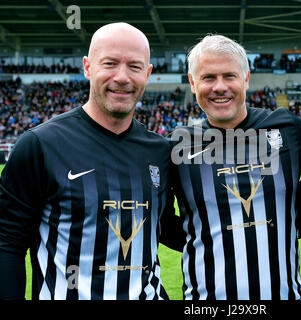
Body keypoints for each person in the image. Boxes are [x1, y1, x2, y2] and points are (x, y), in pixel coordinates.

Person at [0, 22, 181, 300]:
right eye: (109, 63)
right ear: (87, 67)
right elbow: (8, 244)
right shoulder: (40, 145)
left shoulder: (160, 150)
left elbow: (165, 227)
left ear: (147, 74)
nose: (122, 77)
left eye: (134, 67)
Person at [167, 34, 301, 300]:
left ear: (246, 78)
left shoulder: (288, 129)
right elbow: (159, 220)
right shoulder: (179, 147)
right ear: (193, 83)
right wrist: (209, 240)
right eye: (208, 78)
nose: (220, 87)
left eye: (229, 76)